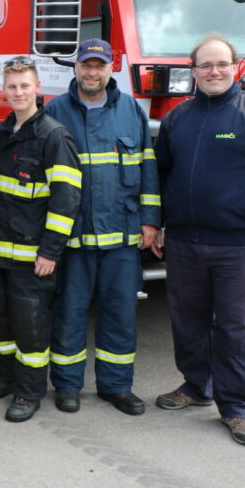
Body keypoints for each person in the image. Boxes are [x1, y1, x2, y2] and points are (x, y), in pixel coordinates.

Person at [152, 33, 245, 446]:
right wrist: (159, 222)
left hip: (243, 243)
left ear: (234, 67)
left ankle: (236, 408)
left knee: (239, 326)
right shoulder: (178, 118)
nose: (214, 72)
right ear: (193, 71)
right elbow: (161, 175)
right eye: (205, 65)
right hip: (184, 240)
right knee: (188, 319)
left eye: (221, 64)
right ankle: (197, 386)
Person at [45, 38, 160, 416]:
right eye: (86, 64)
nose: (92, 72)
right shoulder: (56, 110)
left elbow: (147, 168)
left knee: (120, 315)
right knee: (70, 313)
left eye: (99, 65)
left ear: (111, 68)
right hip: (74, 237)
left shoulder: (130, 110)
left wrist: (150, 222)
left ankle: (116, 386)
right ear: (75, 67)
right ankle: (67, 386)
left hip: (123, 236)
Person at [0, 57, 81, 422]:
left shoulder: (53, 135)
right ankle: (5, 379)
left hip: (32, 256)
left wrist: (51, 251)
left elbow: (66, 198)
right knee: (2, 323)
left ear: (37, 87)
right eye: (12, 86)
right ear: (3, 91)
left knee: (31, 327)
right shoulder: (3, 132)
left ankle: (29, 392)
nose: (19, 92)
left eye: (25, 85)